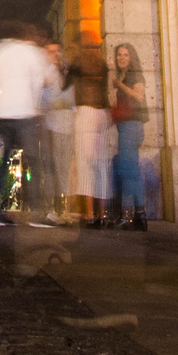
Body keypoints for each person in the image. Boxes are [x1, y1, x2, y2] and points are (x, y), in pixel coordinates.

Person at [0, 23, 57, 222]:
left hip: (0, 114)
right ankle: (37, 209)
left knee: (0, 163)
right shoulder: (31, 51)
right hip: (26, 113)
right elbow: (47, 78)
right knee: (34, 161)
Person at [69, 44, 112, 226]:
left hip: (85, 114)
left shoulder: (78, 65)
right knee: (101, 167)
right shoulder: (102, 66)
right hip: (102, 114)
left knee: (85, 167)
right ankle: (102, 215)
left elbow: (70, 88)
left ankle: (89, 214)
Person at [110, 43, 149, 230]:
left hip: (132, 126)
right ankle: (140, 215)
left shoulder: (134, 75)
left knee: (127, 172)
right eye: (119, 55)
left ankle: (127, 216)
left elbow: (139, 96)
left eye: (125, 55)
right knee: (133, 172)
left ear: (131, 57)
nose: (121, 58)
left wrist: (120, 86)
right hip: (128, 126)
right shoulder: (125, 76)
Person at [41, 42, 76, 224]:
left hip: (66, 126)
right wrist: (57, 104)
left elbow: (72, 101)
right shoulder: (44, 73)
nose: (54, 55)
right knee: (51, 170)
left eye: (57, 51)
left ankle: (63, 210)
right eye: (50, 52)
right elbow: (42, 102)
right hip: (50, 127)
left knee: (63, 170)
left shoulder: (67, 74)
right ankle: (51, 210)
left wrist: (61, 104)